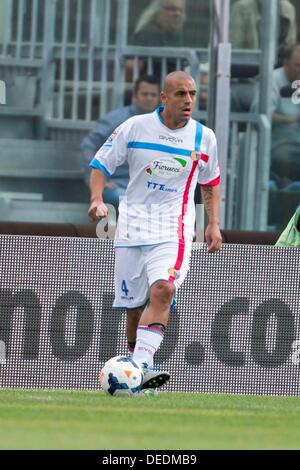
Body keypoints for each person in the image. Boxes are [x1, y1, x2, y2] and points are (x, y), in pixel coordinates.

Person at [88, 71, 222, 392]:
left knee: (163, 289)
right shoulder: (135, 127)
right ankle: (138, 373)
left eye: (191, 93)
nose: (188, 100)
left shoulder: (204, 137)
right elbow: (101, 164)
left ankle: (142, 365)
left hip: (172, 228)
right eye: (180, 94)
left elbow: (210, 181)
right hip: (132, 228)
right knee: (133, 308)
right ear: (164, 98)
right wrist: (96, 199)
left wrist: (213, 223)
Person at [80, 75, 160, 208]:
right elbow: (88, 146)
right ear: (135, 96)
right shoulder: (115, 120)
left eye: (153, 95)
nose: (149, 98)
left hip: (150, 188)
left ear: (160, 98)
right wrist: (96, 181)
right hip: (117, 185)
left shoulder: (165, 125)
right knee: (131, 203)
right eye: (145, 94)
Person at [269, 43, 300, 185]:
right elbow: (264, 115)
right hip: (279, 142)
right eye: (297, 65)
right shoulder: (273, 80)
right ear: (285, 63)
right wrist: (291, 119)